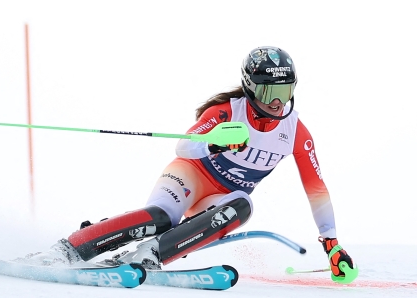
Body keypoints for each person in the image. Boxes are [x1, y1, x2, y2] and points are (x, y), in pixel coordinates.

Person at [19, 46, 355, 280]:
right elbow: (183, 146)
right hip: (190, 176)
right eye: (270, 94)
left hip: (216, 199)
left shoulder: (295, 131)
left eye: (286, 91)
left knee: (242, 205)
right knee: (162, 217)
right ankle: (69, 248)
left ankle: (150, 254)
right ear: (251, 89)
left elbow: (316, 187)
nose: (279, 103)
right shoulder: (227, 112)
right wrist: (215, 142)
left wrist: (331, 243)